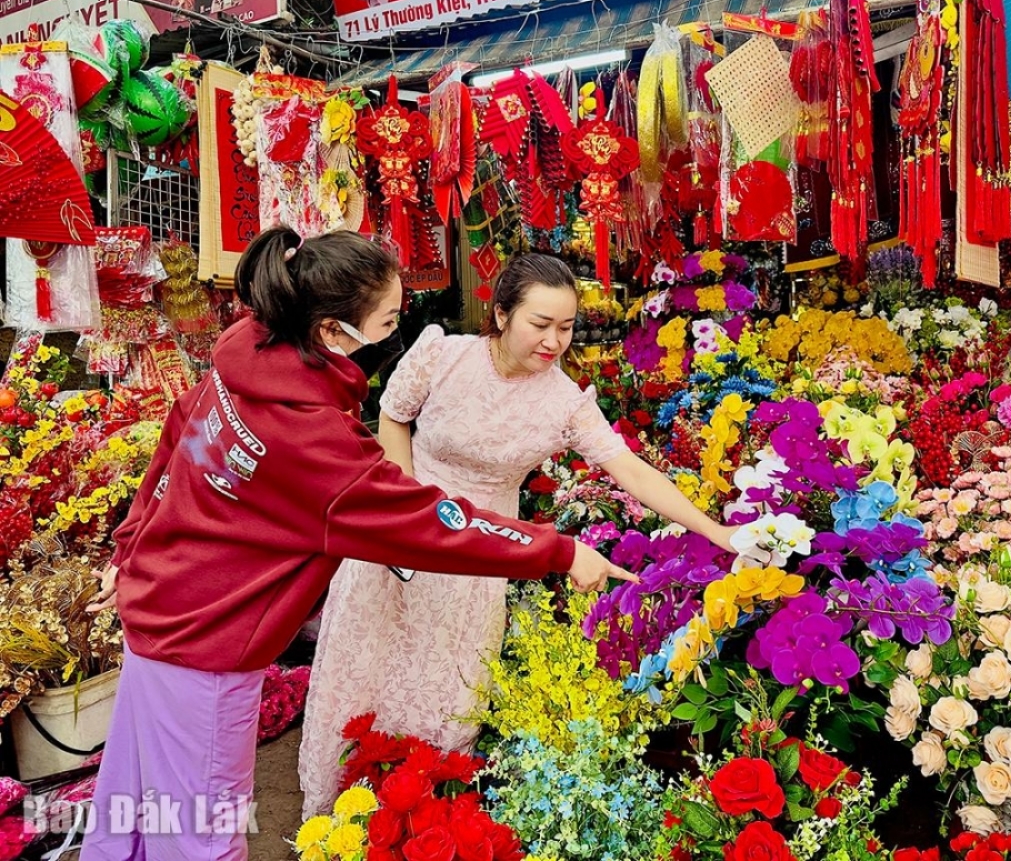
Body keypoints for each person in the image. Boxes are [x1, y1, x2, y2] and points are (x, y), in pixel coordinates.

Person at [79, 231, 633, 861]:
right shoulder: (319, 447)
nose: (398, 333)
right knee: (201, 834)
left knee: (130, 811)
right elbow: (433, 522)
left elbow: (179, 436)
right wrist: (558, 550)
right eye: (390, 321)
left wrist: (129, 550)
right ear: (333, 333)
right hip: (209, 644)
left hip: (155, 609)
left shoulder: (244, 356)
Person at [299, 252, 738, 817]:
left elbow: (629, 469)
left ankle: (417, 823)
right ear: (502, 313)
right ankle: (335, 821)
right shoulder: (443, 355)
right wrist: (403, 518)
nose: (554, 341)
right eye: (540, 324)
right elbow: (394, 415)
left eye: (566, 327)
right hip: (397, 540)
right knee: (365, 673)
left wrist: (713, 530)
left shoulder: (564, 403)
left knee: (442, 693)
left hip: (477, 558)